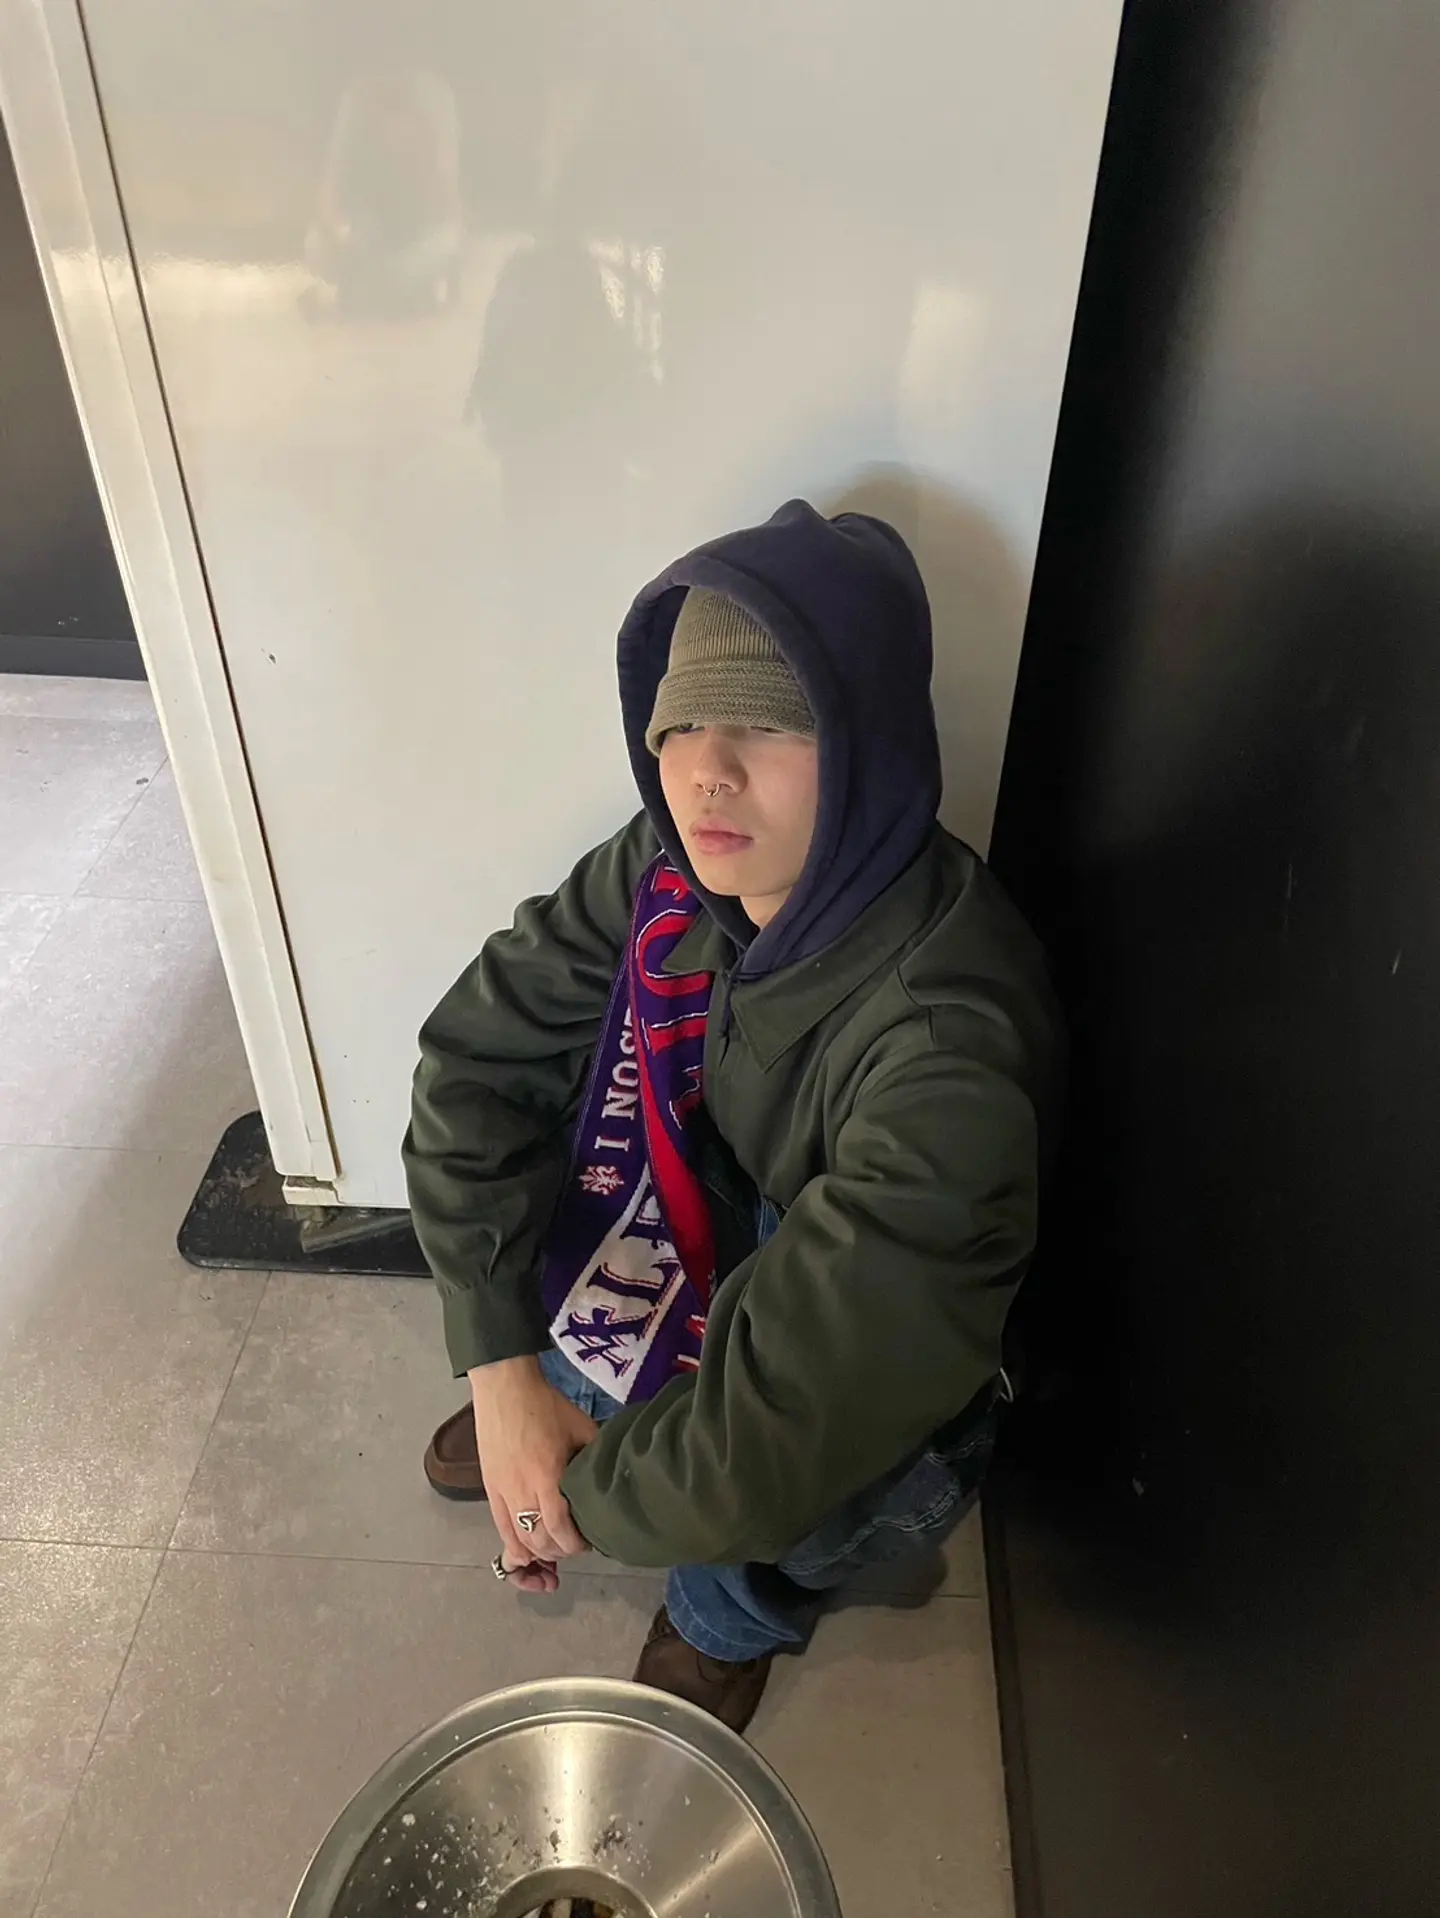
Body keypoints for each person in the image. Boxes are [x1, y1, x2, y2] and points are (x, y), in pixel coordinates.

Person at [404, 497, 1060, 1733]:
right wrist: (500, 1371)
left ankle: (723, 1617)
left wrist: (570, 1500)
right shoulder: (681, 859)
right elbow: (477, 1061)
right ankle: (571, 1397)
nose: (708, 767)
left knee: (786, 1514)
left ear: (865, 747)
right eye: (681, 722)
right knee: (562, 1225)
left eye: (769, 721)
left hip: (860, 1386)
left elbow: (785, 1427)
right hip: (720, 1228)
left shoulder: (947, 1054)